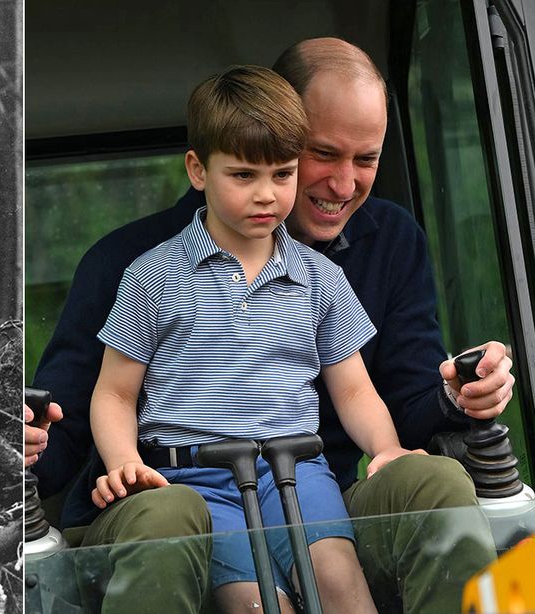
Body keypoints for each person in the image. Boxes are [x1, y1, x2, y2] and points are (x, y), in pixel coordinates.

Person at [25, 38, 515, 613]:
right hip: (180, 494)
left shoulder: (354, 260)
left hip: (306, 484)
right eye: (323, 154)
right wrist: (28, 444)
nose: (341, 184)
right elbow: (89, 405)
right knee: (193, 539)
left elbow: (381, 393)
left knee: (433, 490)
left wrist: (454, 398)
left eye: (366, 160)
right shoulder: (141, 269)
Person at [90, 64, 411, 613]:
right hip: (196, 480)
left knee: (341, 589)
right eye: (243, 176)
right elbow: (115, 393)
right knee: (256, 604)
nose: (267, 195)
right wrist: (124, 462)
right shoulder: (154, 275)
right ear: (198, 170)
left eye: (283, 175)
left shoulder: (319, 277)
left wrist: (387, 449)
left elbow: (354, 390)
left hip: (299, 473)